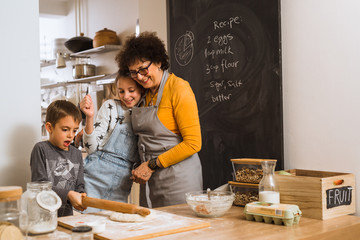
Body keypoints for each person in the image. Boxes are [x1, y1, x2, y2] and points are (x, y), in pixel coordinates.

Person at [115, 31, 203, 208]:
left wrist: (152, 164)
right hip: (149, 180)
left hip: (179, 181)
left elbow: (193, 143)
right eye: (133, 72)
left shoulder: (179, 89)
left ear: (158, 61)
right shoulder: (142, 93)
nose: (139, 76)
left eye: (143, 69)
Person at [79, 73, 143, 207]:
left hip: (121, 183)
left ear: (141, 89)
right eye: (121, 91)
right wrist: (89, 117)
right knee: (86, 223)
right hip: (94, 177)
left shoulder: (146, 114)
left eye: (131, 90)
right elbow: (90, 148)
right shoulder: (111, 107)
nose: (126, 96)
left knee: (114, 223)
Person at [30, 100, 87, 217]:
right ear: (50, 127)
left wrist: (81, 196)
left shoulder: (76, 154)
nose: (71, 135)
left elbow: (79, 185)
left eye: (74, 130)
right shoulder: (41, 149)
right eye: (65, 129)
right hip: (43, 216)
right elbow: (39, 185)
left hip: (67, 216)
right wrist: (68, 194)